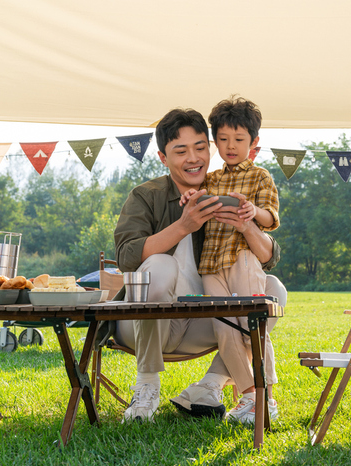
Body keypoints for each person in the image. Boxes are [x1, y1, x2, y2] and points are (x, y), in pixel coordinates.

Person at [113, 108, 283, 423]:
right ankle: (147, 385)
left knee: (274, 293)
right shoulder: (146, 196)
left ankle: (209, 386)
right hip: (141, 322)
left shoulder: (220, 192)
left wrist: (247, 225)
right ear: (164, 158)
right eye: (181, 151)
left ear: (210, 148)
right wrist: (183, 225)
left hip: (200, 320)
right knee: (161, 266)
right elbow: (127, 256)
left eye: (200, 147)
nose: (193, 158)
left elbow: (269, 256)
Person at [179, 96, 280, 423]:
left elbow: (271, 217)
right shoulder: (211, 178)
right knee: (224, 328)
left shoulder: (261, 177)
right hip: (211, 264)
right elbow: (196, 199)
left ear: (254, 142)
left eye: (238, 140)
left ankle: (266, 397)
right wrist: (189, 197)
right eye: (223, 140)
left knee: (250, 324)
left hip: (242, 258)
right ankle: (251, 397)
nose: (230, 146)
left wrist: (254, 212)